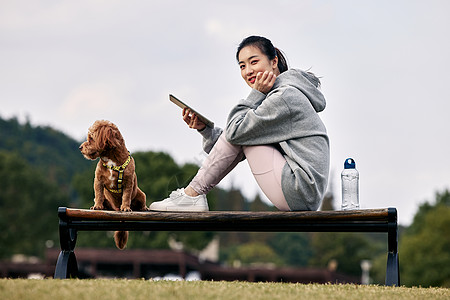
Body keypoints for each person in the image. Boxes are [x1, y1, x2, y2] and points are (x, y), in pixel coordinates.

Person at [150, 35, 329, 212]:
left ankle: (192, 195)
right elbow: (235, 143)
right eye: (242, 66)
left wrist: (256, 95)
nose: (248, 71)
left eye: (254, 61)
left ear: (274, 62)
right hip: (302, 190)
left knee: (240, 129)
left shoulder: (284, 97)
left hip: (300, 189)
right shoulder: (280, 95)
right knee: (243, 131)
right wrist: (205, 130)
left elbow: (235, 134)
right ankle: (192, 196)